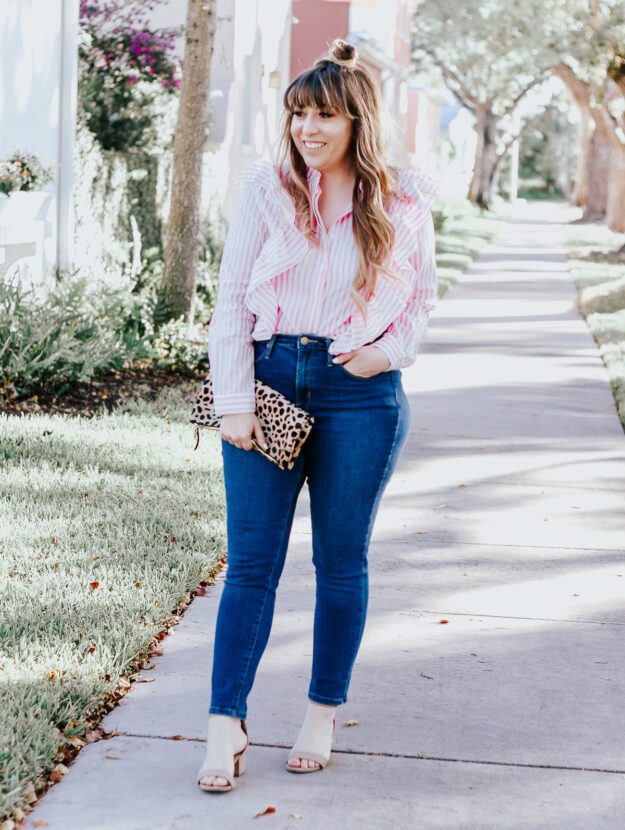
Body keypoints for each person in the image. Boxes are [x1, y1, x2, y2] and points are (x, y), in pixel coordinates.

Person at [197, 38, 438, 792]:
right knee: (251, 567)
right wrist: (233, 402)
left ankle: (319, 713)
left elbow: (421, 301)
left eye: (324, 115)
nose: (307, 127)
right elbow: (232, 301)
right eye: (298, 113)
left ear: (355, 121)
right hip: (270, 379)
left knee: (340, 566)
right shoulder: (266, 190)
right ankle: (224, 724)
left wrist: (384, 355)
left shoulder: (400, 199)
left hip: (357, 394)